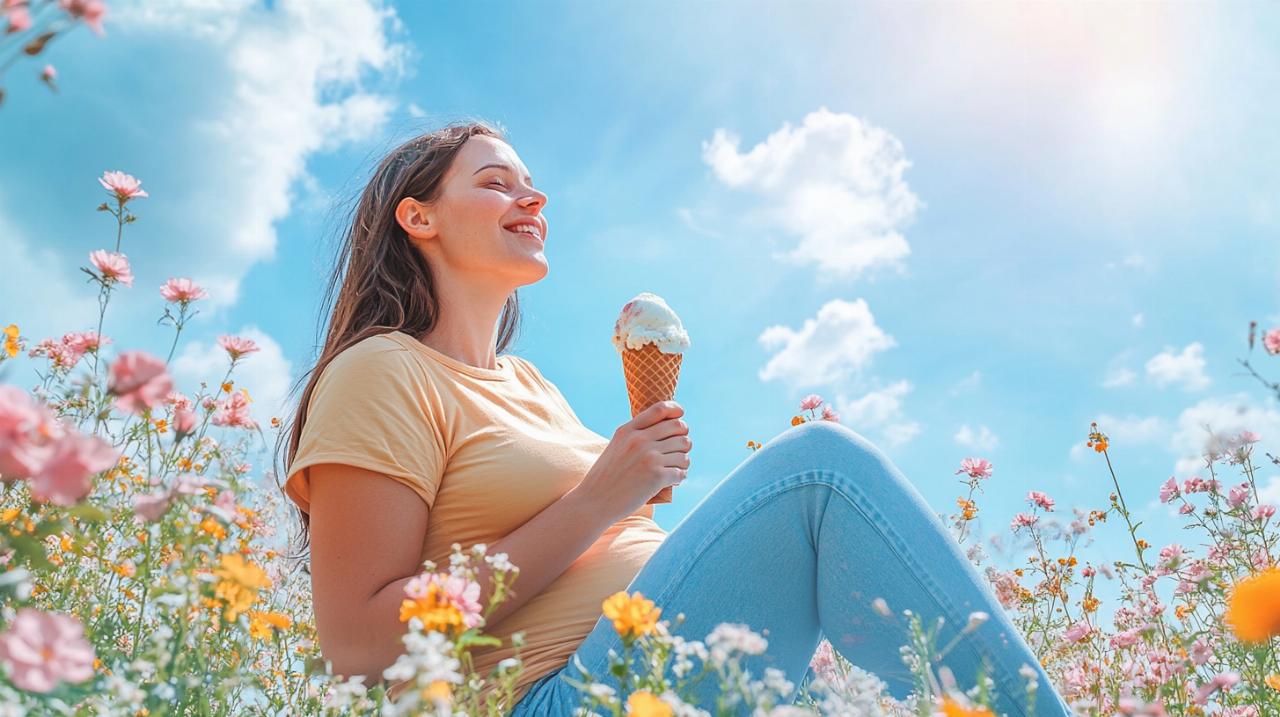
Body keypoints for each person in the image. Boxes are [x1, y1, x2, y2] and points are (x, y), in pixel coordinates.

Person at [277, 120, 1072, 717]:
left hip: (653, 669)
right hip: (546, 695)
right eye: (495, 181)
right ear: (420, 219)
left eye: (531, 181)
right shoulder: (383, 369)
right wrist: (597, 500)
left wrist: (629, 490)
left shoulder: (531, 386)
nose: (533, 196)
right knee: (821, 472)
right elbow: (360, 647)